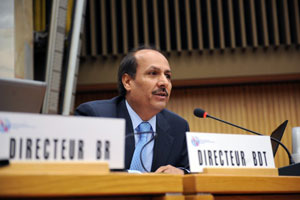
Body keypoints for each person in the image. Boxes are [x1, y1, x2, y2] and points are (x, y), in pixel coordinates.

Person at [75, 46, 189, 174]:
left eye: (168, 76)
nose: (164, 82)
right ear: (128, 82)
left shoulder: (178, 127)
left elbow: (189, 170)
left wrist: (182, 173)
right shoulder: (95, 117)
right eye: (153, 73)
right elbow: (85, 172)